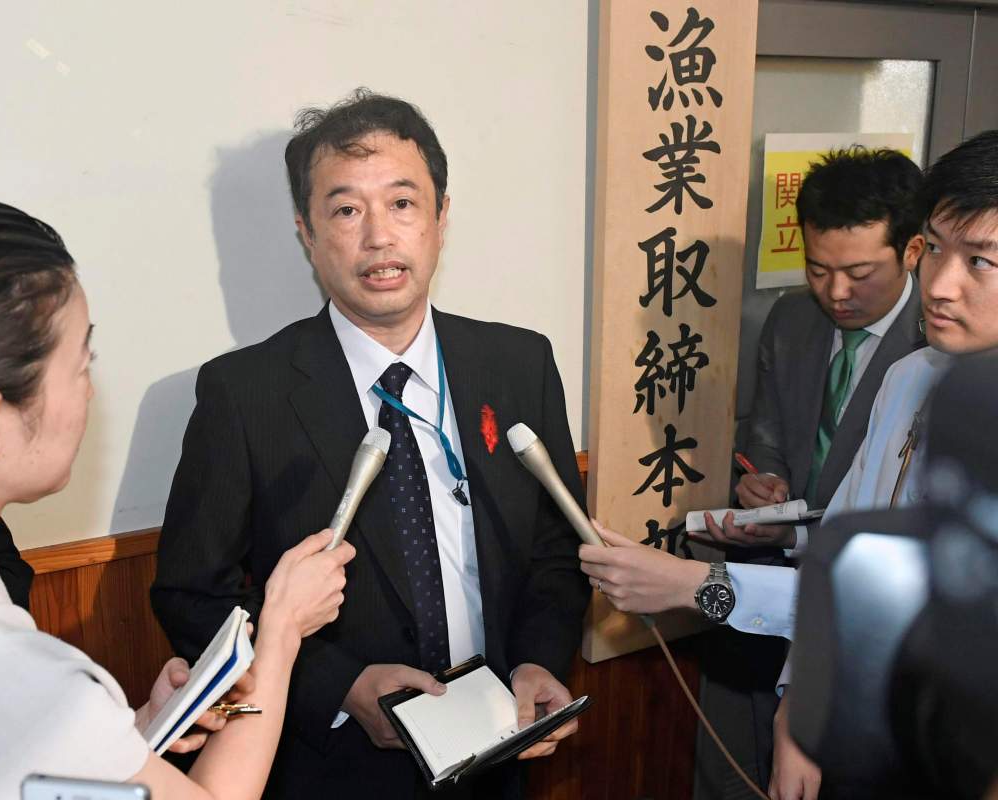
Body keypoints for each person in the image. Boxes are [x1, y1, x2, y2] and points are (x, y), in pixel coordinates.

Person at [0, 192, 355, 800]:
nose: (89, 391)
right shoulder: (10, 679)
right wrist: (278, 638)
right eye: (80, 362)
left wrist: (130, 737)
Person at [152, 90, 590, 799]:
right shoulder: (245, 393)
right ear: (307, 231)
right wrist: (340, 685)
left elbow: (554, 547)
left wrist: (538, 662)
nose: (379, 238)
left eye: (403, 204)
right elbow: (189, 595)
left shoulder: (519, 363)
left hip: (500, 746)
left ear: (441, 218)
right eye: (347, 210)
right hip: (335, 768)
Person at [578, 128, 998, 800]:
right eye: (940, 250)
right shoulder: (914, 378)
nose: (940, 285)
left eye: (980, 262)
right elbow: (847, 567)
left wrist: (695, 584)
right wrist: (799, 706)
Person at [697, 147, 924, 795]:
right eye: (819, 269)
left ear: (911, 251)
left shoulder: (937, 349)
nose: (837, 292)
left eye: (859, 271)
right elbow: (765, 436)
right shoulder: (793, 319)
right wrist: (758, 482)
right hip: (780, 585)